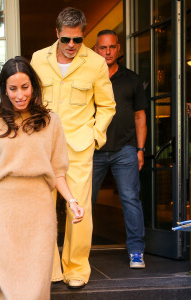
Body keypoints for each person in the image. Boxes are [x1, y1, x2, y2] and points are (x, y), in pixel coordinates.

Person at [0, 56, 85, 300]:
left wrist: (72, 201)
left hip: (39, 208)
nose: (20, 94)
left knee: (38, 281)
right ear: (4, 89)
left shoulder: (51, 121)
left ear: (33, 86)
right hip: (4, 209)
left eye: (25, 87)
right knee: (9, 281)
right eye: (13, 88)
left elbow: (58, 172)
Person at [31, 7, 116, 288]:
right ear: (56, 33)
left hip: (79, 148)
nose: (71, 46)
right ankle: (51, 267)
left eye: (77, 40)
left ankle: (76, 268)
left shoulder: (95, 63)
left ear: (84, 36)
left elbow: (107, 106)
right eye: (66, 39)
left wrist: (95, 136)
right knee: (44, 209)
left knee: (78, 209)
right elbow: (30, 101)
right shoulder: (37, 60)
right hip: (43, 147)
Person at [92, 29, 147, 268]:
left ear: (118, 49)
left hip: (125, 149)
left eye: (112, 47)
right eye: (103, 47)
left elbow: (140, 117)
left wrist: (140, 149)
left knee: (130, 199)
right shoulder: (89, 77)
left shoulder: (132, 79)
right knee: (84, 202)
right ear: (96, 50)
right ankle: (77, 252)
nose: (107, 52)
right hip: (93, 149)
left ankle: (136, 251)